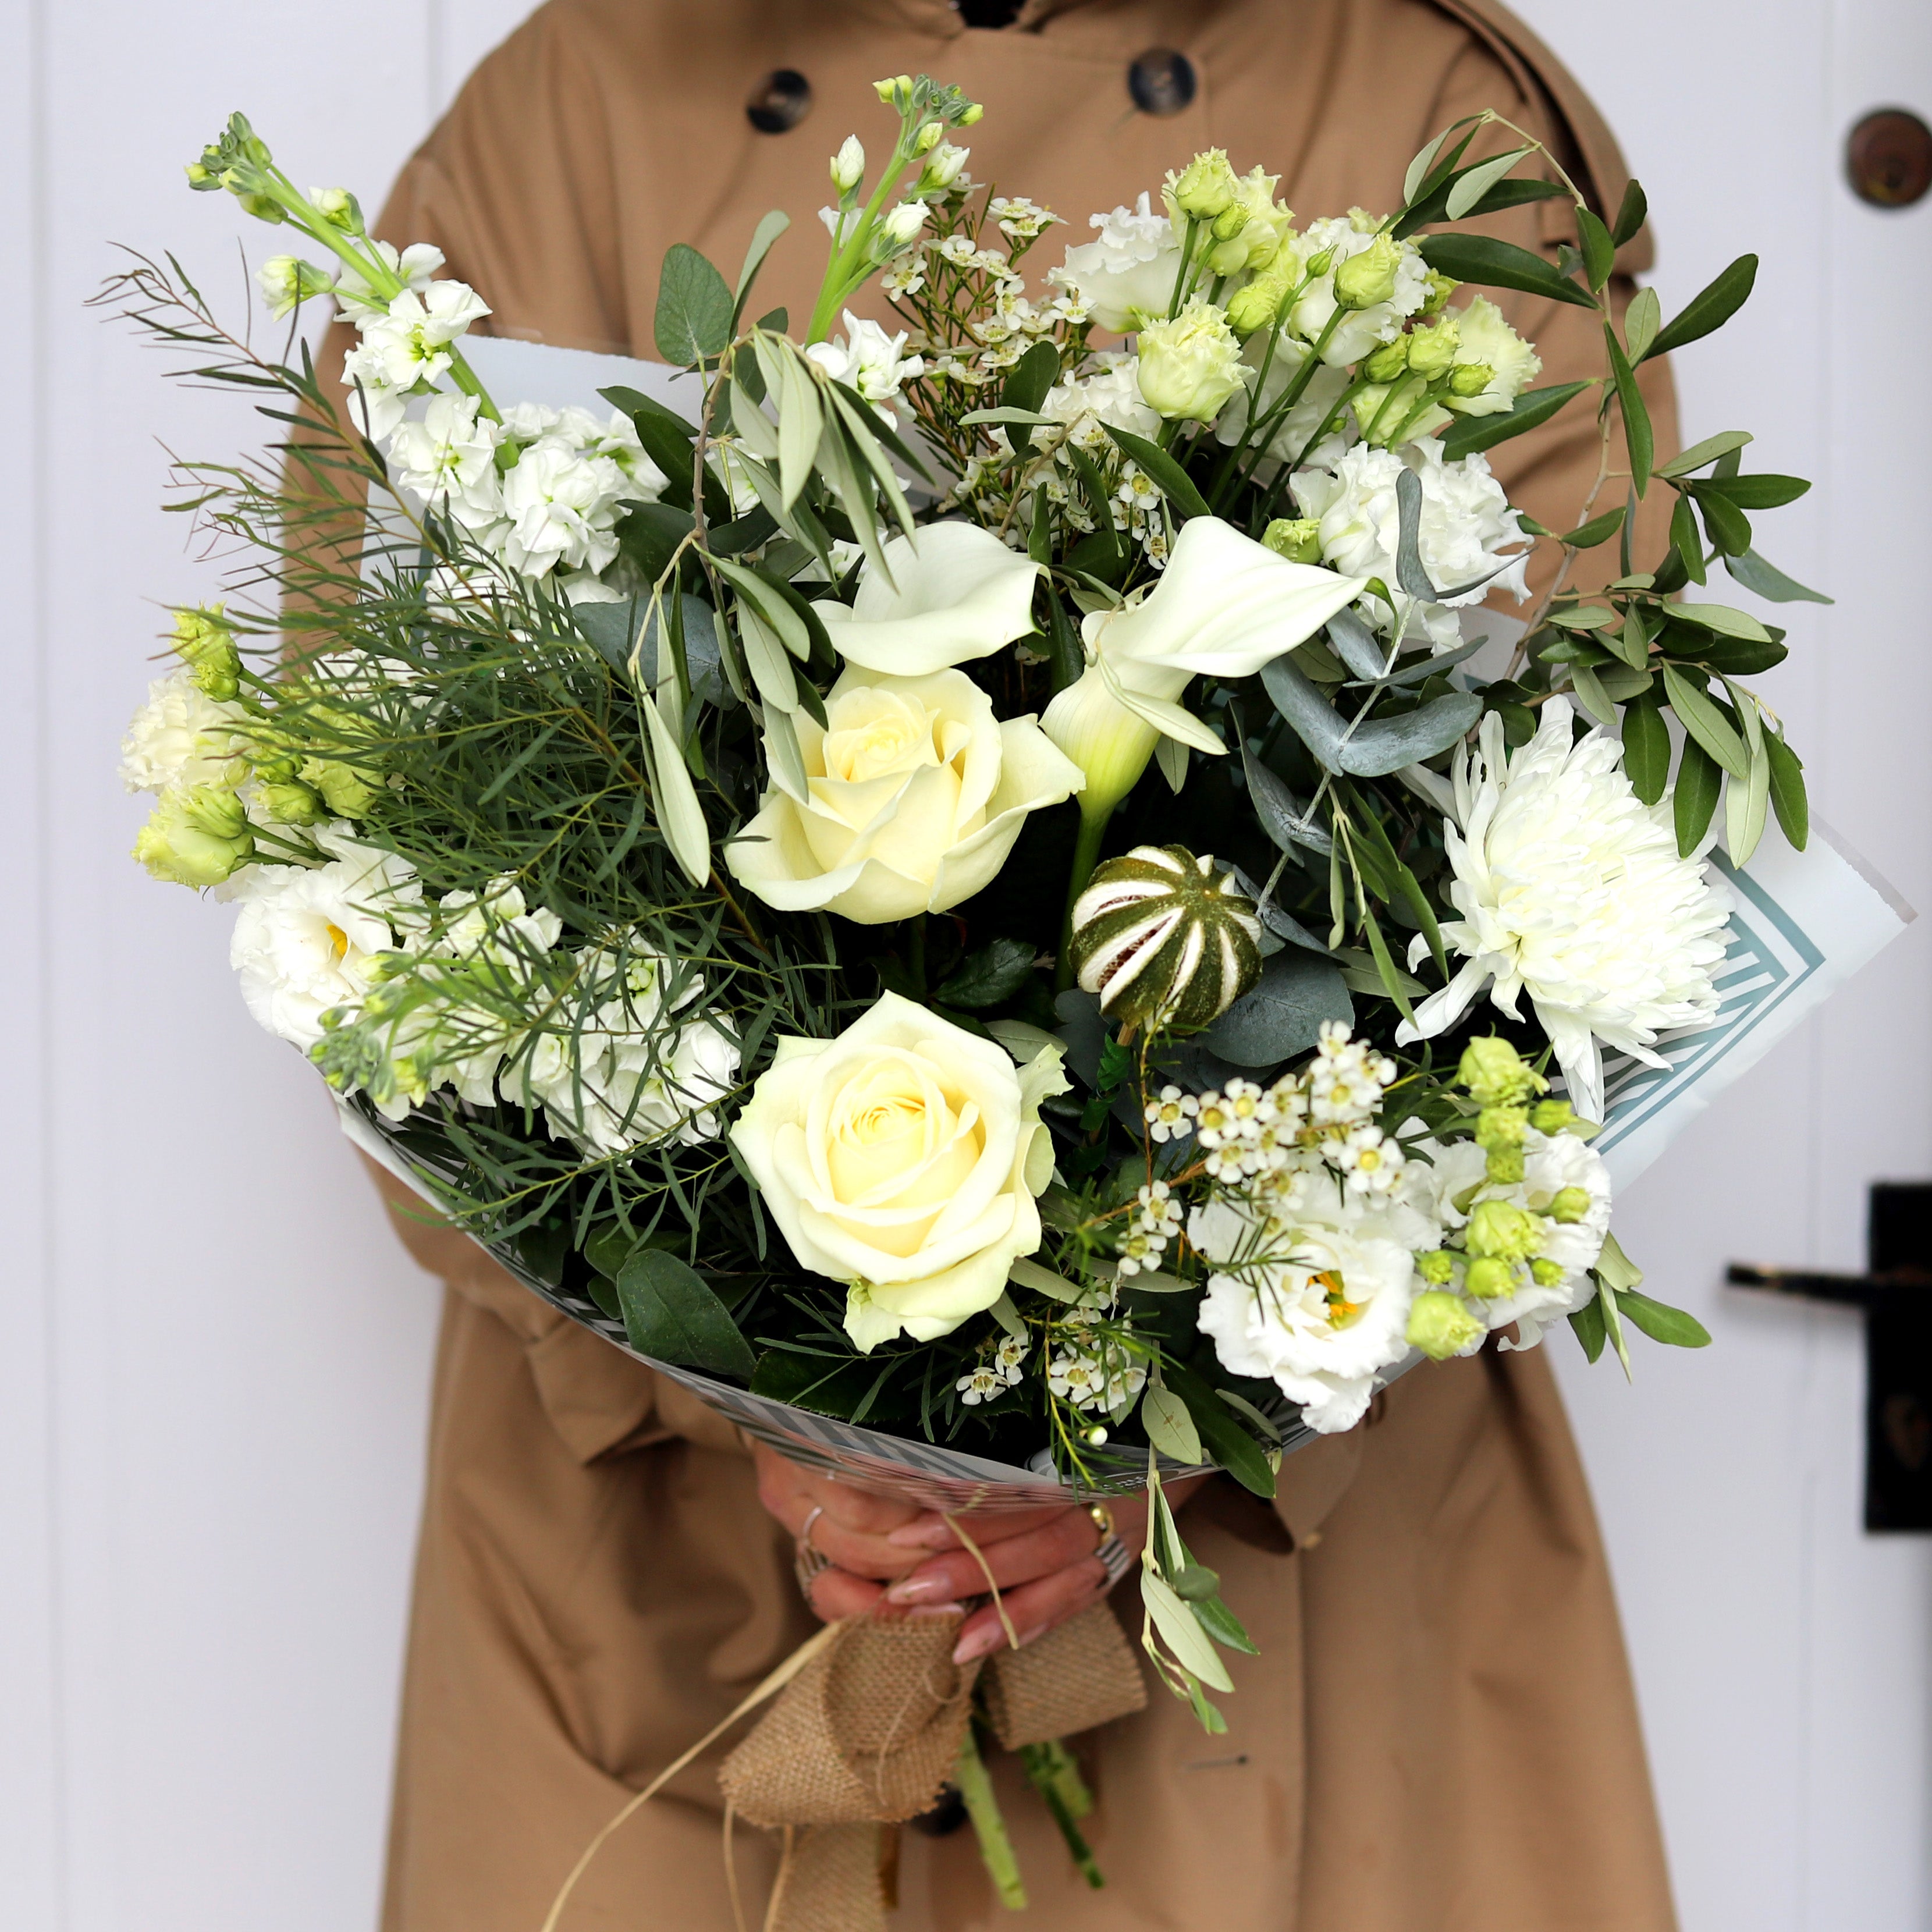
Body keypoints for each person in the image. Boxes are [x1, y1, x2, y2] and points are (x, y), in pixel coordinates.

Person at [354, 2, 1682, 1926]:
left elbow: (1602, 836)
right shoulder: (575, 99)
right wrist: (788, 1428)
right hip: (689, 1557)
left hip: (1288, 1541)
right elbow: (372, 872)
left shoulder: (1415, 94)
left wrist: (1160, 1440)